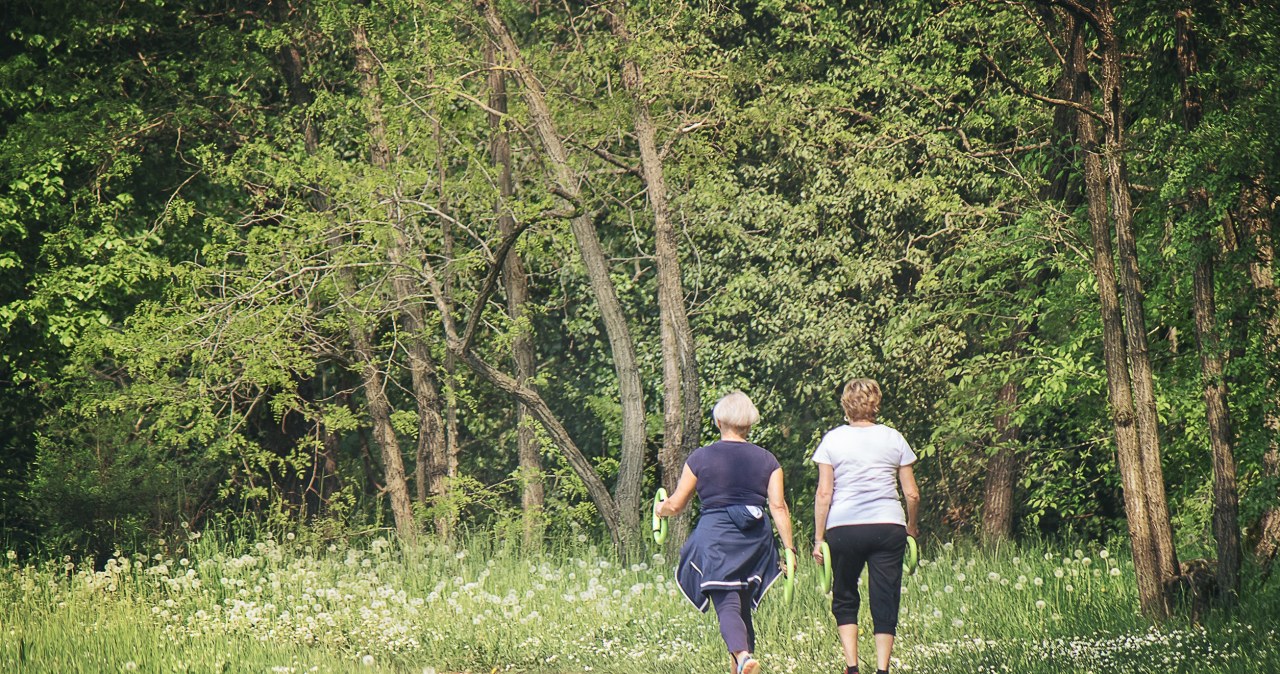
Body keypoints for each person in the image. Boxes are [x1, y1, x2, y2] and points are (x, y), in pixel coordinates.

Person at [656, 390, 796, 674]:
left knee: (727, 603)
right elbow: (778, 506)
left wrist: (660, 509)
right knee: (741, 608)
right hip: (755, 539)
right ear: (748, 425)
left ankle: (743, 657)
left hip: (717, 537)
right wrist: (790, 550)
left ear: (719, 422)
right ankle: (742, 664)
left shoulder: (701, 458)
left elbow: (677, 504)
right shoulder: (768, 460)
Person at [811, 378, 921, 674]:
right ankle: (883, 669)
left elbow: (824, 493)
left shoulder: (832, 439)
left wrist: (819, 538)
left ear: (846, 406)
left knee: (845, 593)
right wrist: (911, 527)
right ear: (876, 404)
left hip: (844, 527)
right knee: (885, 595)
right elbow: (911, 493)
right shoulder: (894, 438)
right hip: (888, 525)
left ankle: (852, 667)